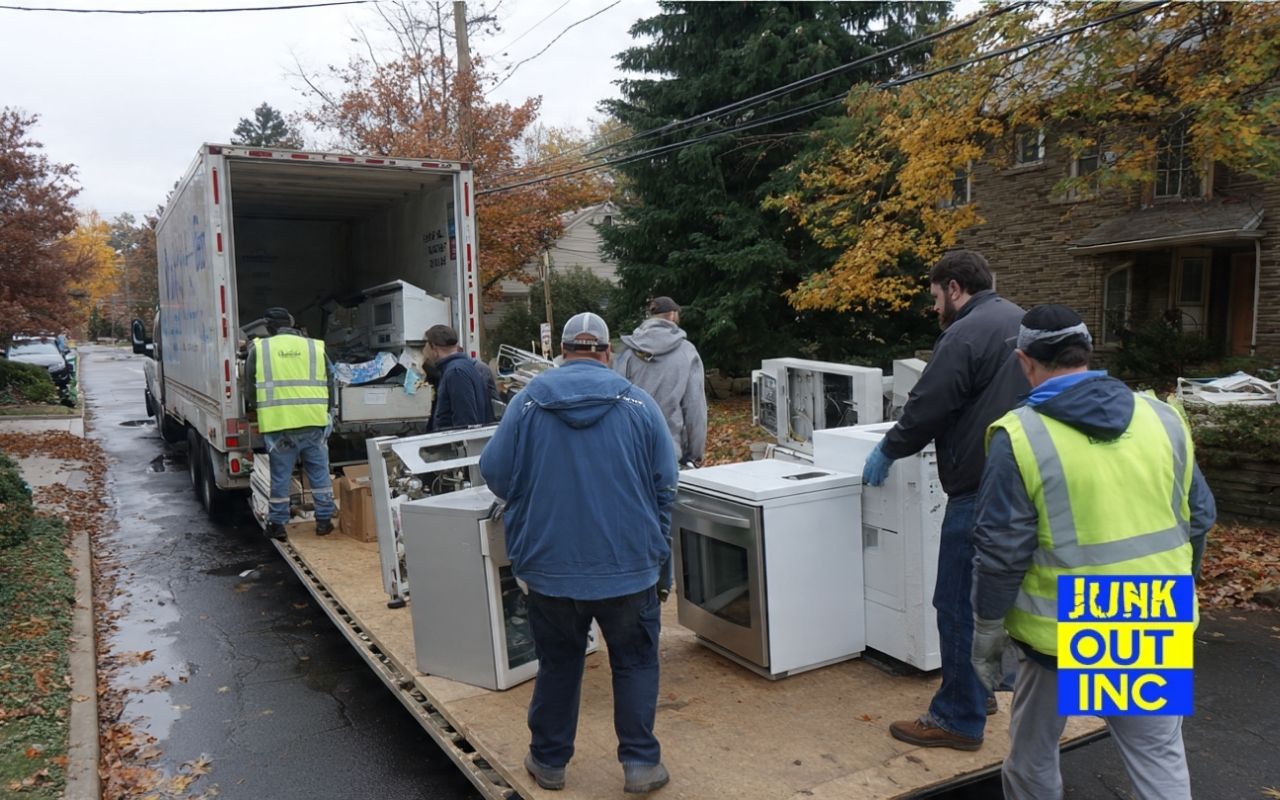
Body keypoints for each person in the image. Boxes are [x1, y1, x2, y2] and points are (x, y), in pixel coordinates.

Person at [969, 304, 1215, 799]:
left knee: (1032, 758)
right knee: (1157, 760)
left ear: (1024, 362)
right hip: (1150, 613)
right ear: (1086, 352)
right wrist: (1179, 585)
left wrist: (987, 632)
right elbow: (1200, 517)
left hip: (1061, 632)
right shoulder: (1163, 419)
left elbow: (1001, 552)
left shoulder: (1021, 436)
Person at [480, 311, 677, 795]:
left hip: (550, 568)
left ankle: (549, 762)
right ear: (607, 353)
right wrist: (658, 554)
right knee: (635, 662)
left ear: (562, 353)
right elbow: (666, 485)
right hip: (629, 566)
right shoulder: (639, 404)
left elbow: (497, 475)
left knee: (560, 663)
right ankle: (640, 764)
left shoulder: (527, 403)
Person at [861, 249, 1028, 750]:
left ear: (955, 288)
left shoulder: (964, 333)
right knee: (993, 599)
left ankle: (957, 717)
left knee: (955, 601)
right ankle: (983, 689)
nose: (935, 307)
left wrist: (890, 448)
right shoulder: (1021, 322)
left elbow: (928, 405)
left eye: (935, 296)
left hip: (977, 486)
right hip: (1022, 485)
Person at [246, 307, 335, 541]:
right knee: (319, 473)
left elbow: (250, 388)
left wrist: (259, 408)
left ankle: (277, 524)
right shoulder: (315, 347)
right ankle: (324, 521)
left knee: (281, 478)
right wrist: (328, 411)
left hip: (279, 425)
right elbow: (330, 379)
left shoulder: (260, 349)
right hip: (313, 422)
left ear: (269, 327)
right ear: (292, 324)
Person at [614, 296, 707, 467]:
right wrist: (695, 453)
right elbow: (695, 408)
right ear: (672, 315)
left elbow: (616, 401)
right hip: (669, 453)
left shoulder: (628, 352)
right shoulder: (687, 352)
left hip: (630, 453)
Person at [422, 324, 494, 430]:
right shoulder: (463, 366)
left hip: (456, 439)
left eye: (425, 347)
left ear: (433, 347)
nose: (424, 351)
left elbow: (465, 420)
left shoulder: (456, 373)